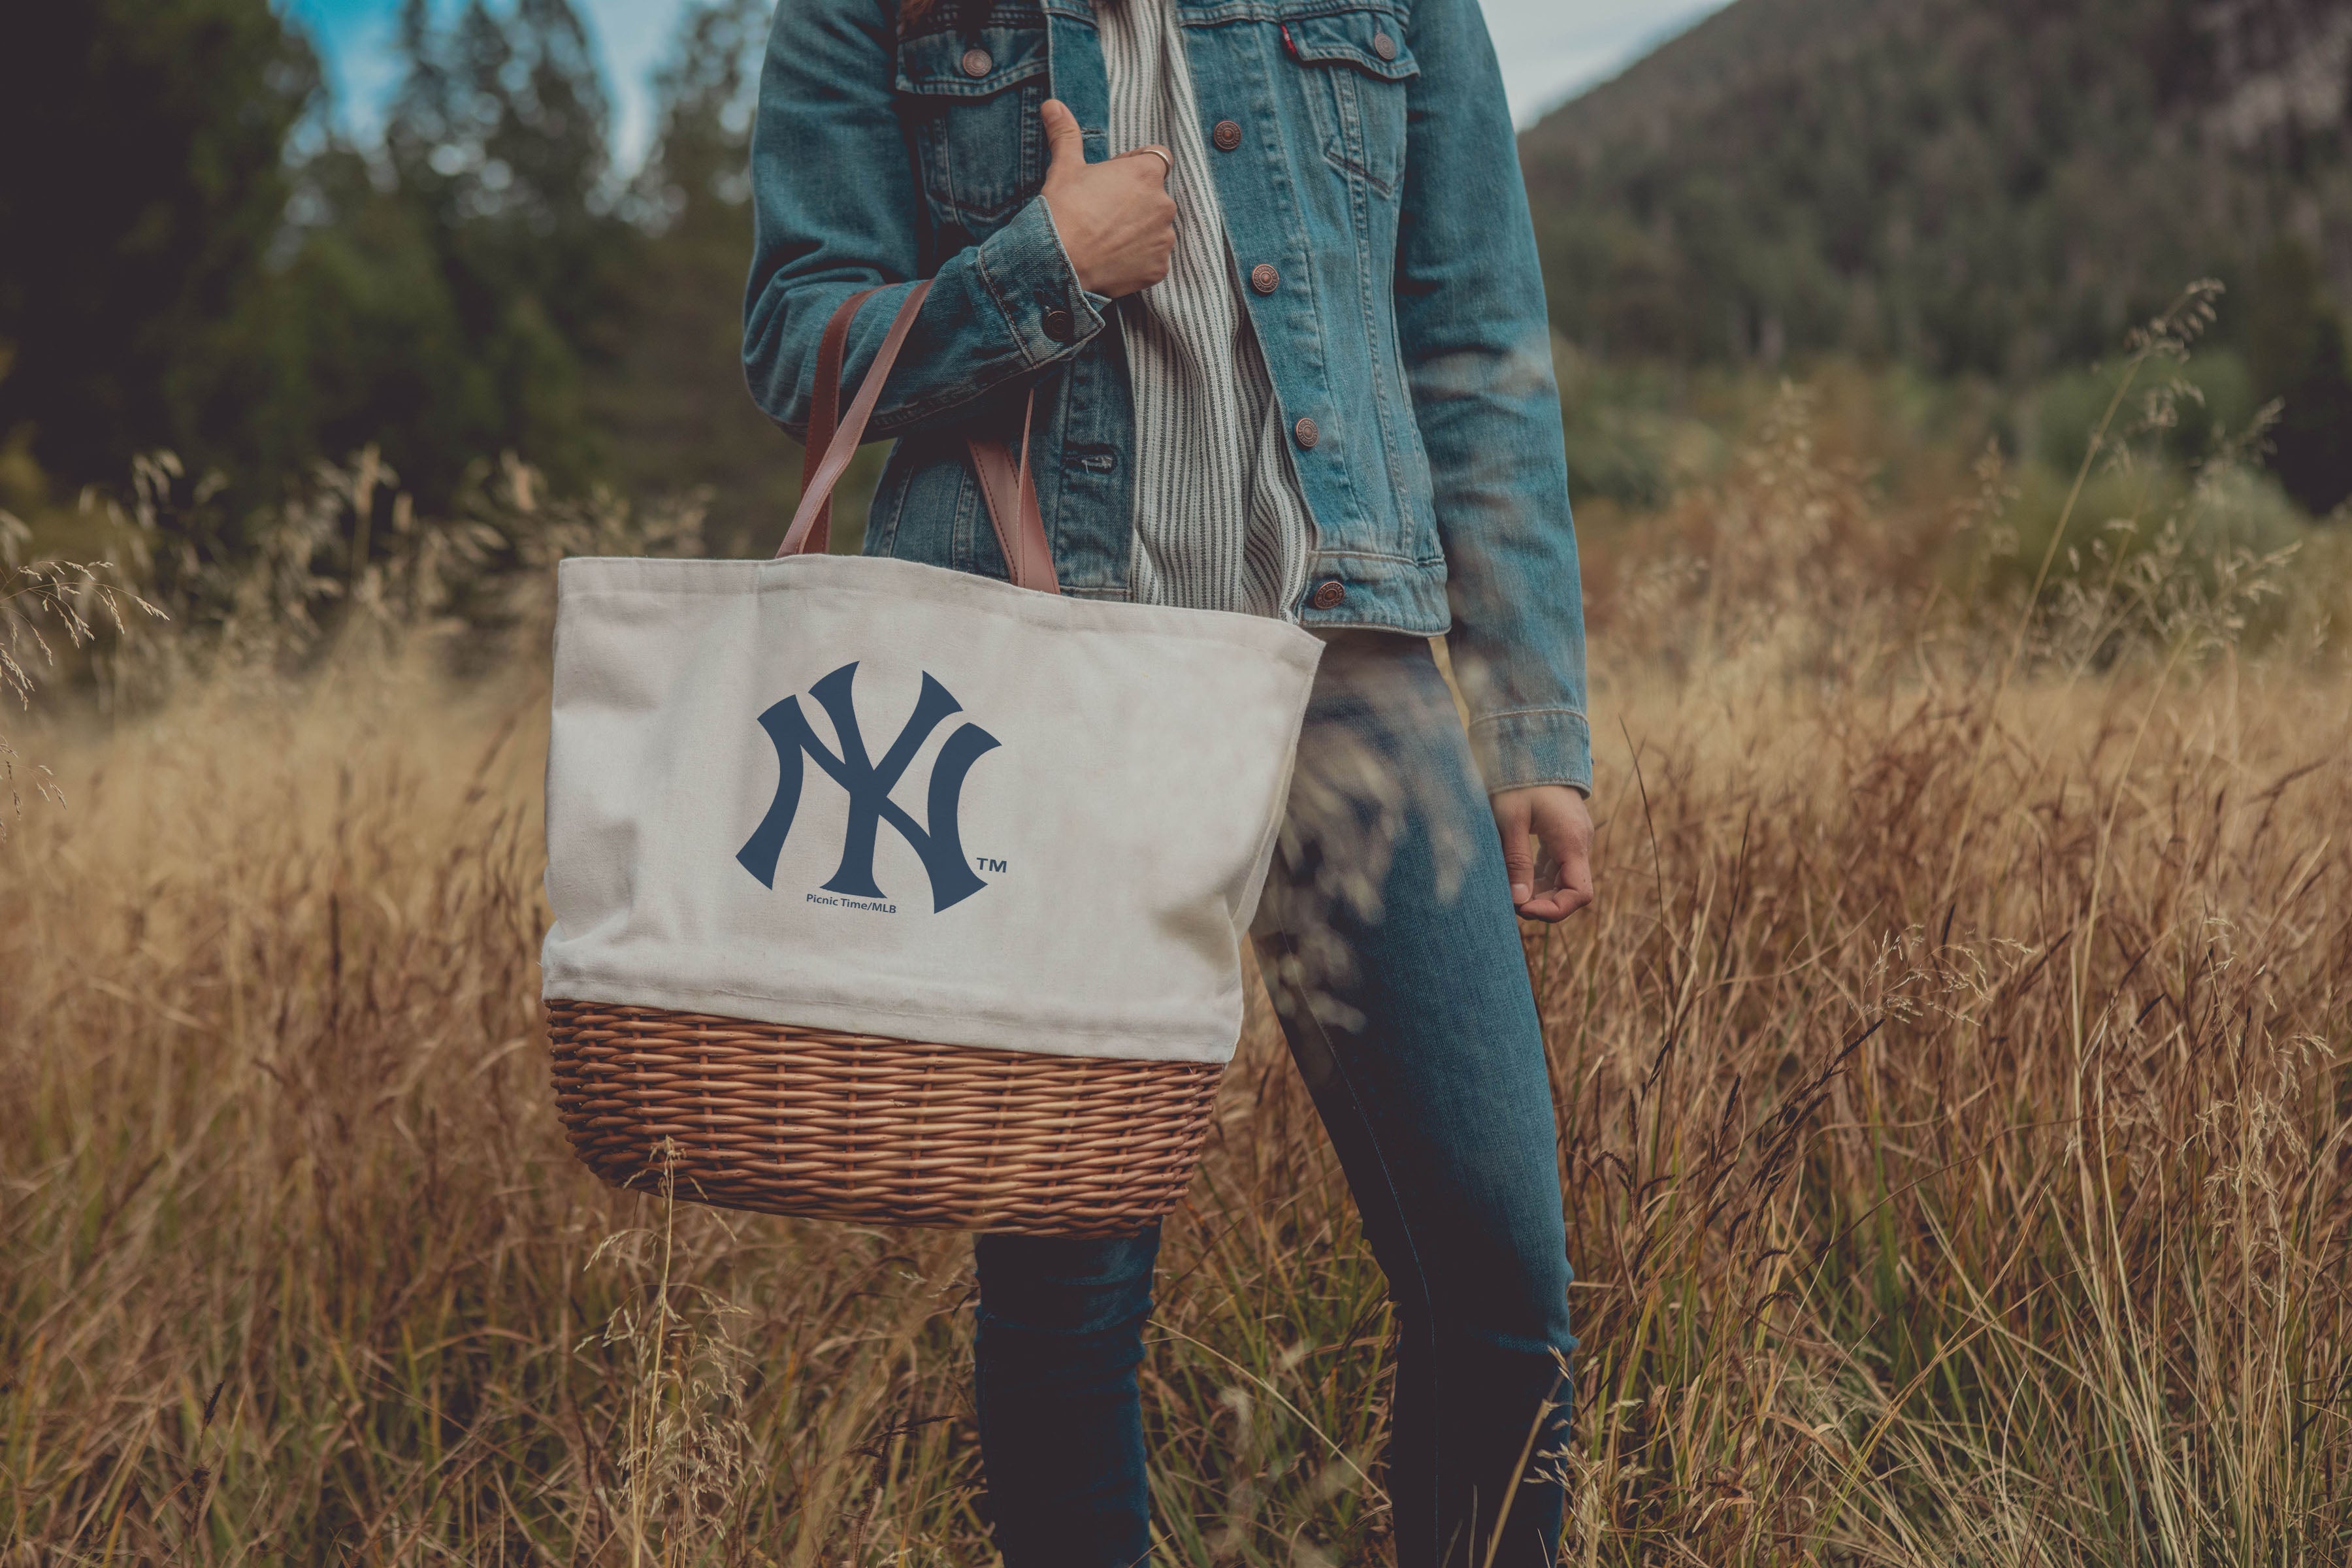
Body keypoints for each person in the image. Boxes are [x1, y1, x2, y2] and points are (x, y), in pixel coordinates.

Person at [745, 0, 1594, 1561]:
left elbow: (1473, 339)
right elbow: (798, 337)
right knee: (1070, 1303)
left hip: (1353, 677)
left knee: (1500, 1280)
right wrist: (1039, 270)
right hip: (1049, 693)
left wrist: (1533, 714)